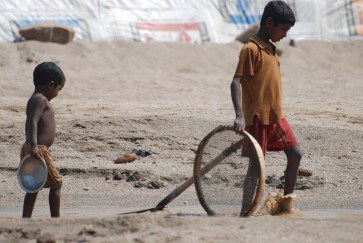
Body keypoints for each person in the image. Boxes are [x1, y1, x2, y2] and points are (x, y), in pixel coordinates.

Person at [230, 1, 302, 215]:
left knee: (296, 154)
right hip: (258, 119)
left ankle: (284, 206)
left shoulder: (271, 49)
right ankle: (245, 212)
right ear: (269, 22)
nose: (284, 34)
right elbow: (235, 82)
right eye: (283, 29)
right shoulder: (250, 49)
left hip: (276, 116)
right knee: (256, 168)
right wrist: (239, 116)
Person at [20, 62, 66, 218]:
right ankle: (56, 218)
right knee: (56, 184)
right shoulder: (40, 100)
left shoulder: (36, 99)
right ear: (51, 85)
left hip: (33, 147)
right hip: (38, 149)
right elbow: (32, 121)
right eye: (59, 89)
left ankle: (26, 218)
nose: (58, 93)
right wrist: (33, 146)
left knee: (33, 187)